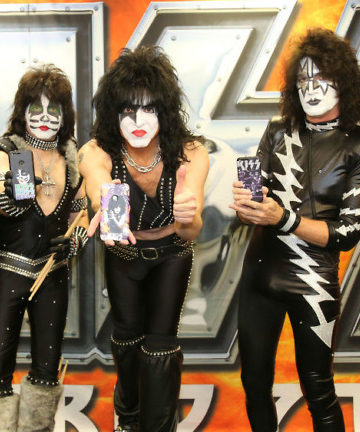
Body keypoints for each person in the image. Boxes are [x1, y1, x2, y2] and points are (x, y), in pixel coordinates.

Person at [229, 28, 360, 432]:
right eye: (303, 80)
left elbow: (347, 234)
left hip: (314, 285)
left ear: (343, 82)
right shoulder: (277, 131)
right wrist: (246, 206)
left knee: (318, 389)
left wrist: (284, 218)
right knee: (254, 385)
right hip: (259, 277)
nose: (311, 89)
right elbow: (253, 210)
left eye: (321, 78)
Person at [81, 45, 209, 432]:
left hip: (172, 253)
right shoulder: (98, 150)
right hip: (124, 255)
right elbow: (99, 183)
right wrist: (107, 209)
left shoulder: (190, 152)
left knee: (161, 346)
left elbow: (191, 230)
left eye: (149, 109)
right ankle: (129, 420)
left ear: (164, 110)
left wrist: (187, 216)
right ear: (113, 112)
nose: (138, 121)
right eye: (128, 110)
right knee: (126, 342)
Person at [0, 65, 89, 432]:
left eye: (53, 109)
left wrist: (76, 239)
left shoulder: (72, 160)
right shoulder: (6, 152)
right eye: (35, 108)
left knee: (47, 371)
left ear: (65, 114)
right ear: (21, 111)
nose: (44, 117)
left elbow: (83, 212)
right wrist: (8, 195)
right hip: (8, 272)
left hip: (52, 274)